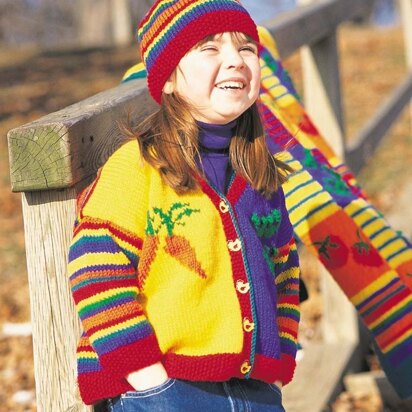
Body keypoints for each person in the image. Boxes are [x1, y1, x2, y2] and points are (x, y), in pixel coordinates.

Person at [68, 0, 301, 410]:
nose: (235, 60)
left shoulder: (260, 176)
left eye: (247, 47)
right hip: (165, 387)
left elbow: (284, 270)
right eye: (209, 48)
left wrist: (277, 363)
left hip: (255, 391)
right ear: (169, 79)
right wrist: (147, 378)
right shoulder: (137, 167)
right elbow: (95, 269)